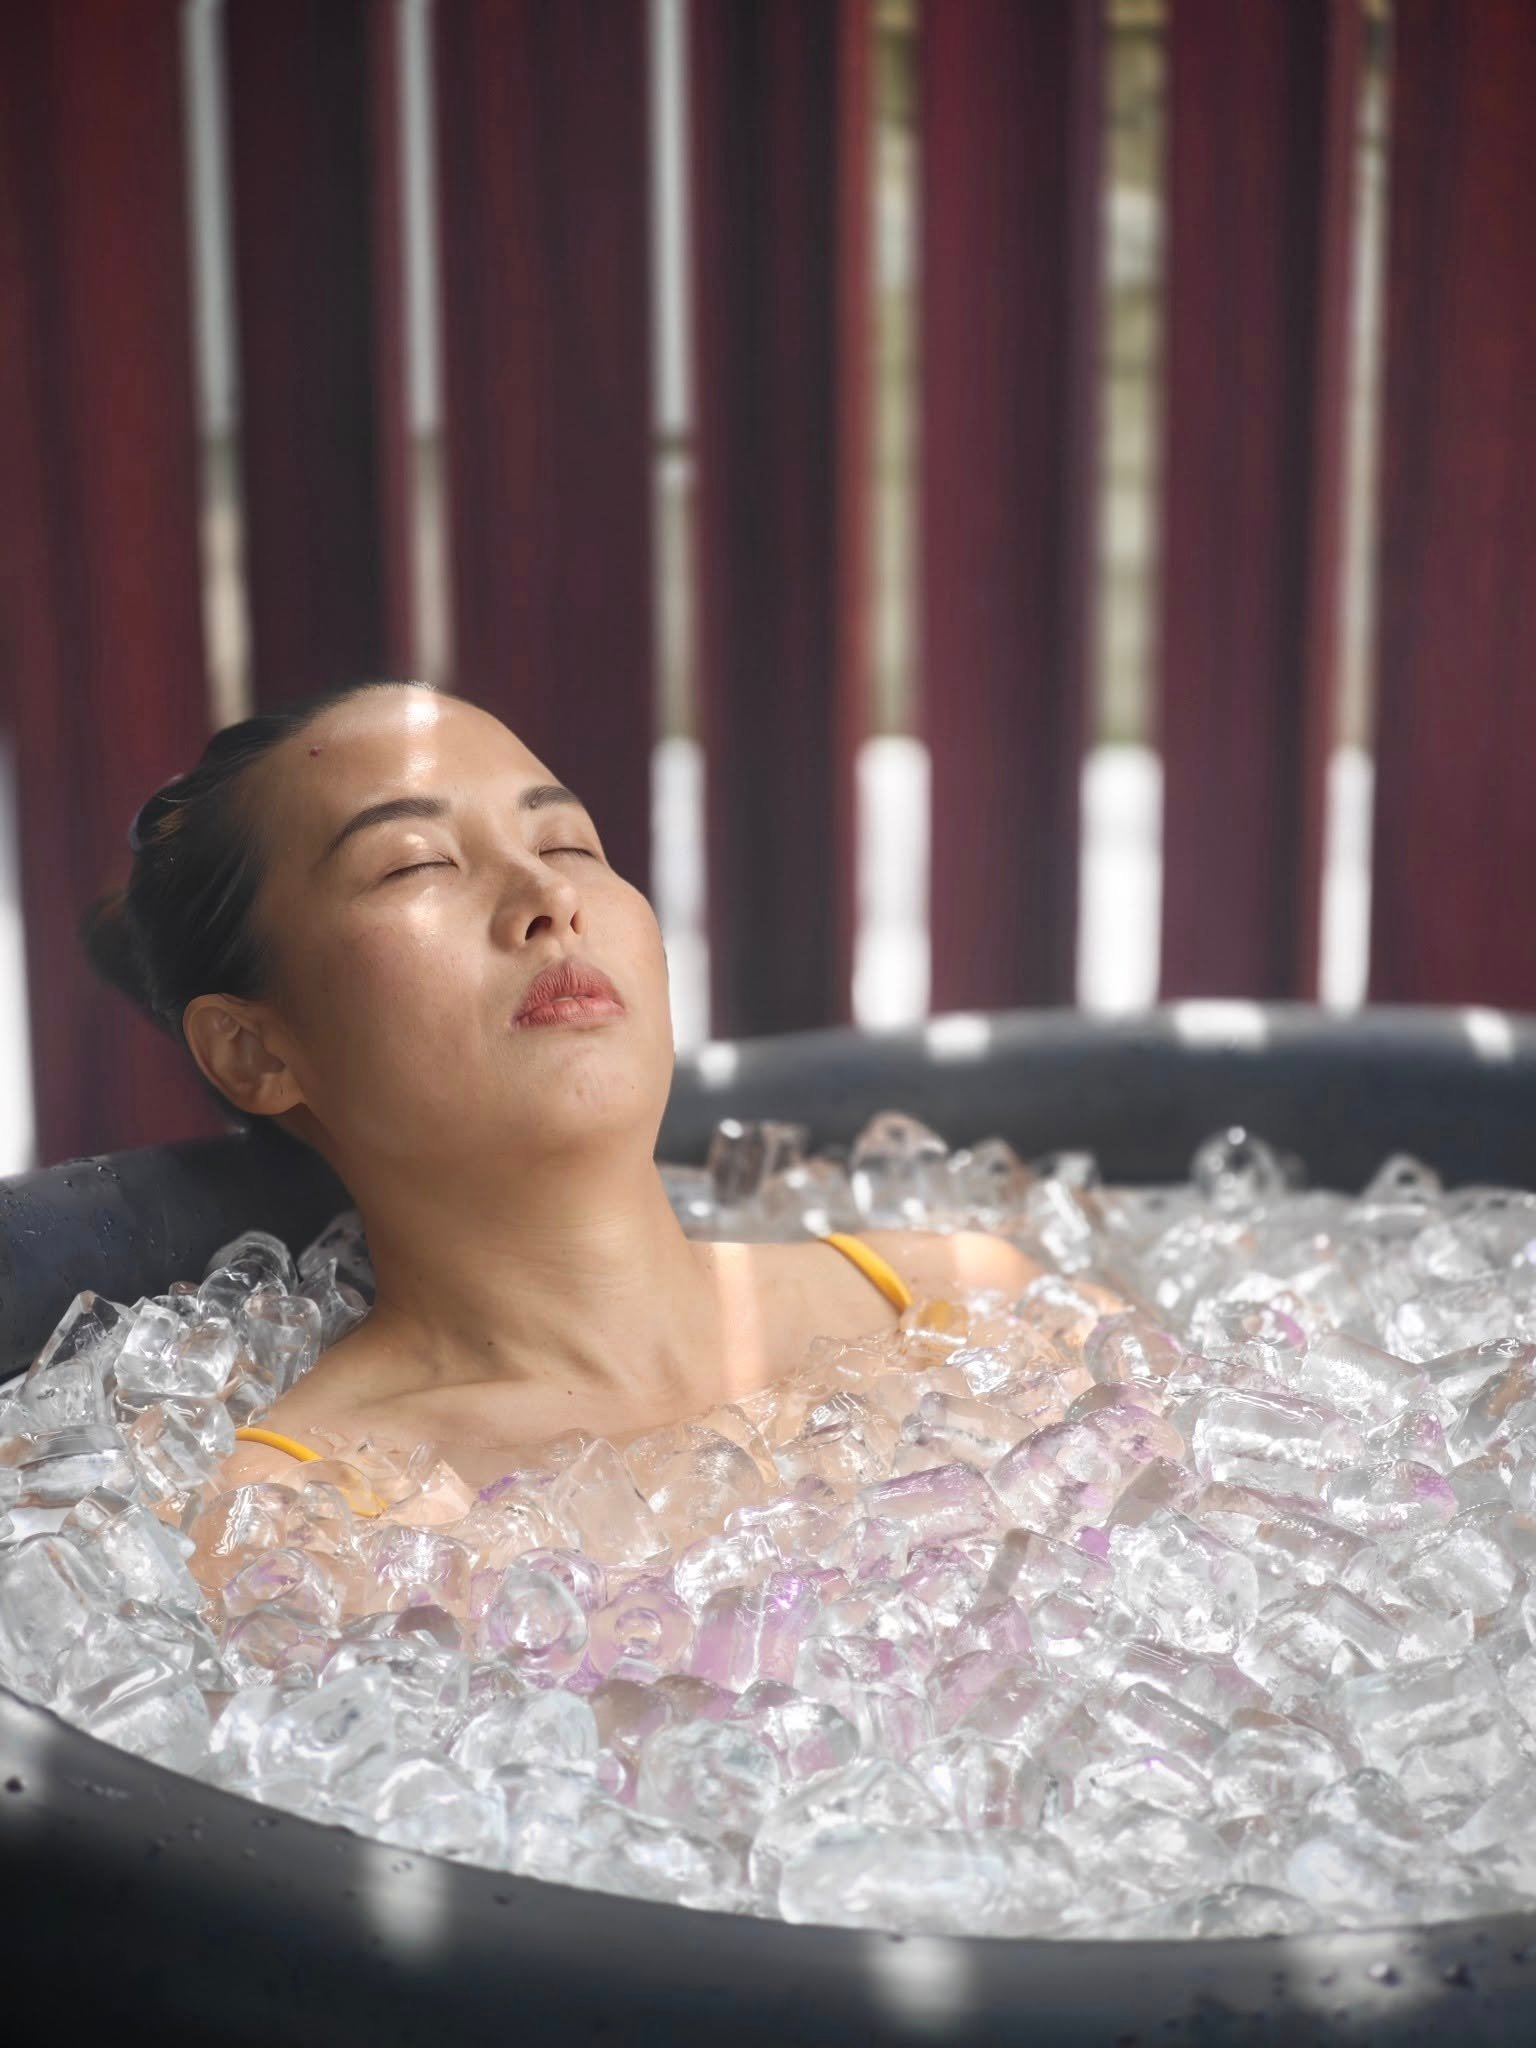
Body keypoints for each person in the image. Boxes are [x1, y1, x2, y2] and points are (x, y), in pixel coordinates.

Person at [81, 680, 1040, 1492]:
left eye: (568, 844)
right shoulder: (311, 1515)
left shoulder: (959, 1309)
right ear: (253, 1053)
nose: (550, 898)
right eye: (416, 863)